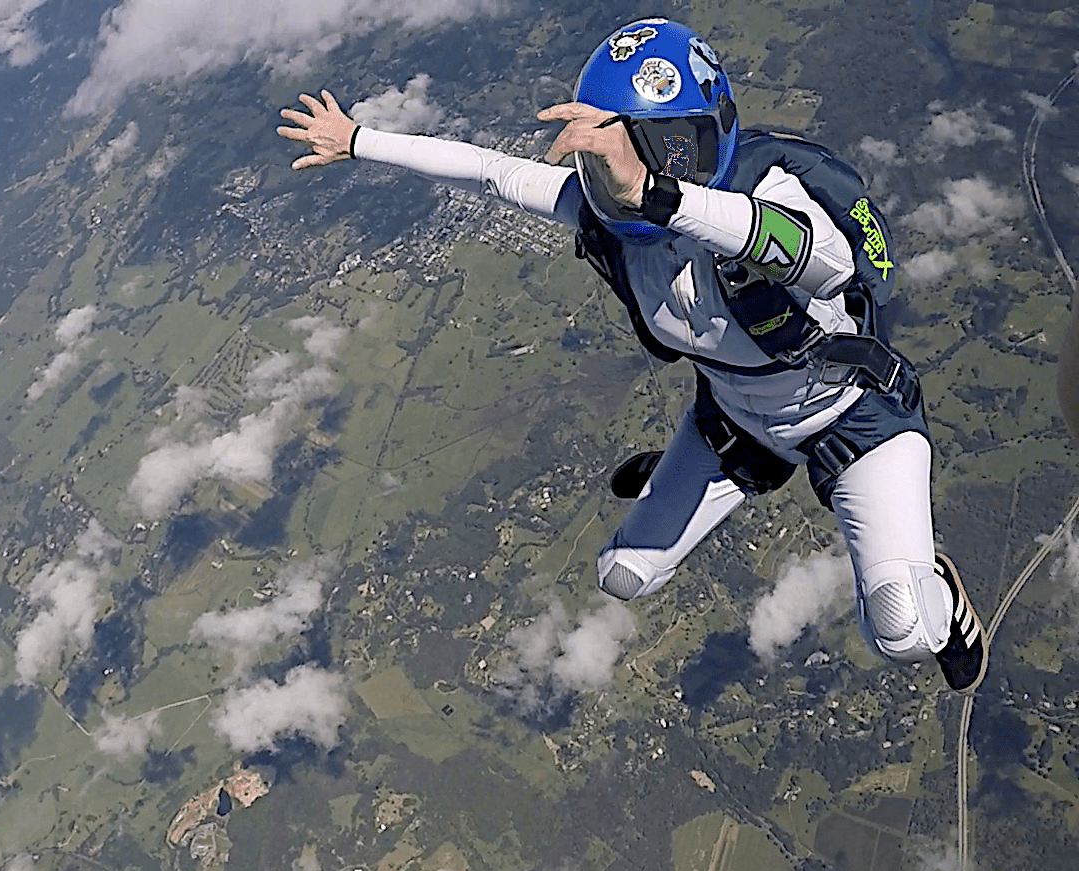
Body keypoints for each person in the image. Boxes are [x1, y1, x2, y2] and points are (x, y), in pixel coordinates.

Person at [277, 17, 987, 691]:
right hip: (735, 422)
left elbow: (805, 254)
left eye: (669, 147)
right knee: (622, 574)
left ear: (713, 136)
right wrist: (359, 139)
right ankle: (687, 468)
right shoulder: (608, 216)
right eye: (621, 150)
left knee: (902, 629)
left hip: (854, 423)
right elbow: (487, 171)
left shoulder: (769, 197)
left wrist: (656, 194)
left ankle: (946, 601)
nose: (632, 169)